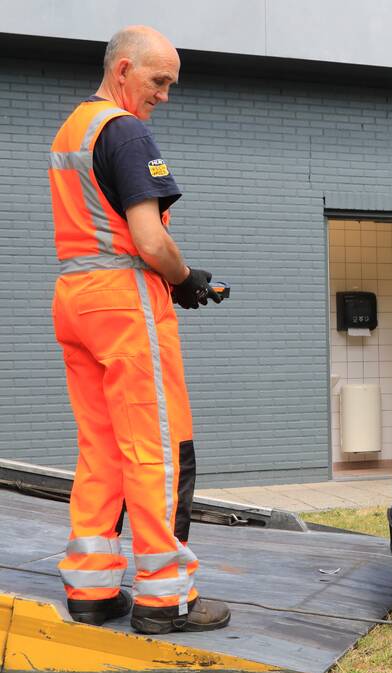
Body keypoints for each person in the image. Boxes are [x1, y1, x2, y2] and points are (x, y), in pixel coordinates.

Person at [48, 25, 230, 634]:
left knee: (100, 447)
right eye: (158, 81)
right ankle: (165, 597)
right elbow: (149, 240)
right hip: (125, 304)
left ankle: (92, 589)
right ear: (123, 69)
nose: (164, 95)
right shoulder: (125, 131)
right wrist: (184, 278)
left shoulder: (72, 129)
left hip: (76, 298)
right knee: (158, 447)